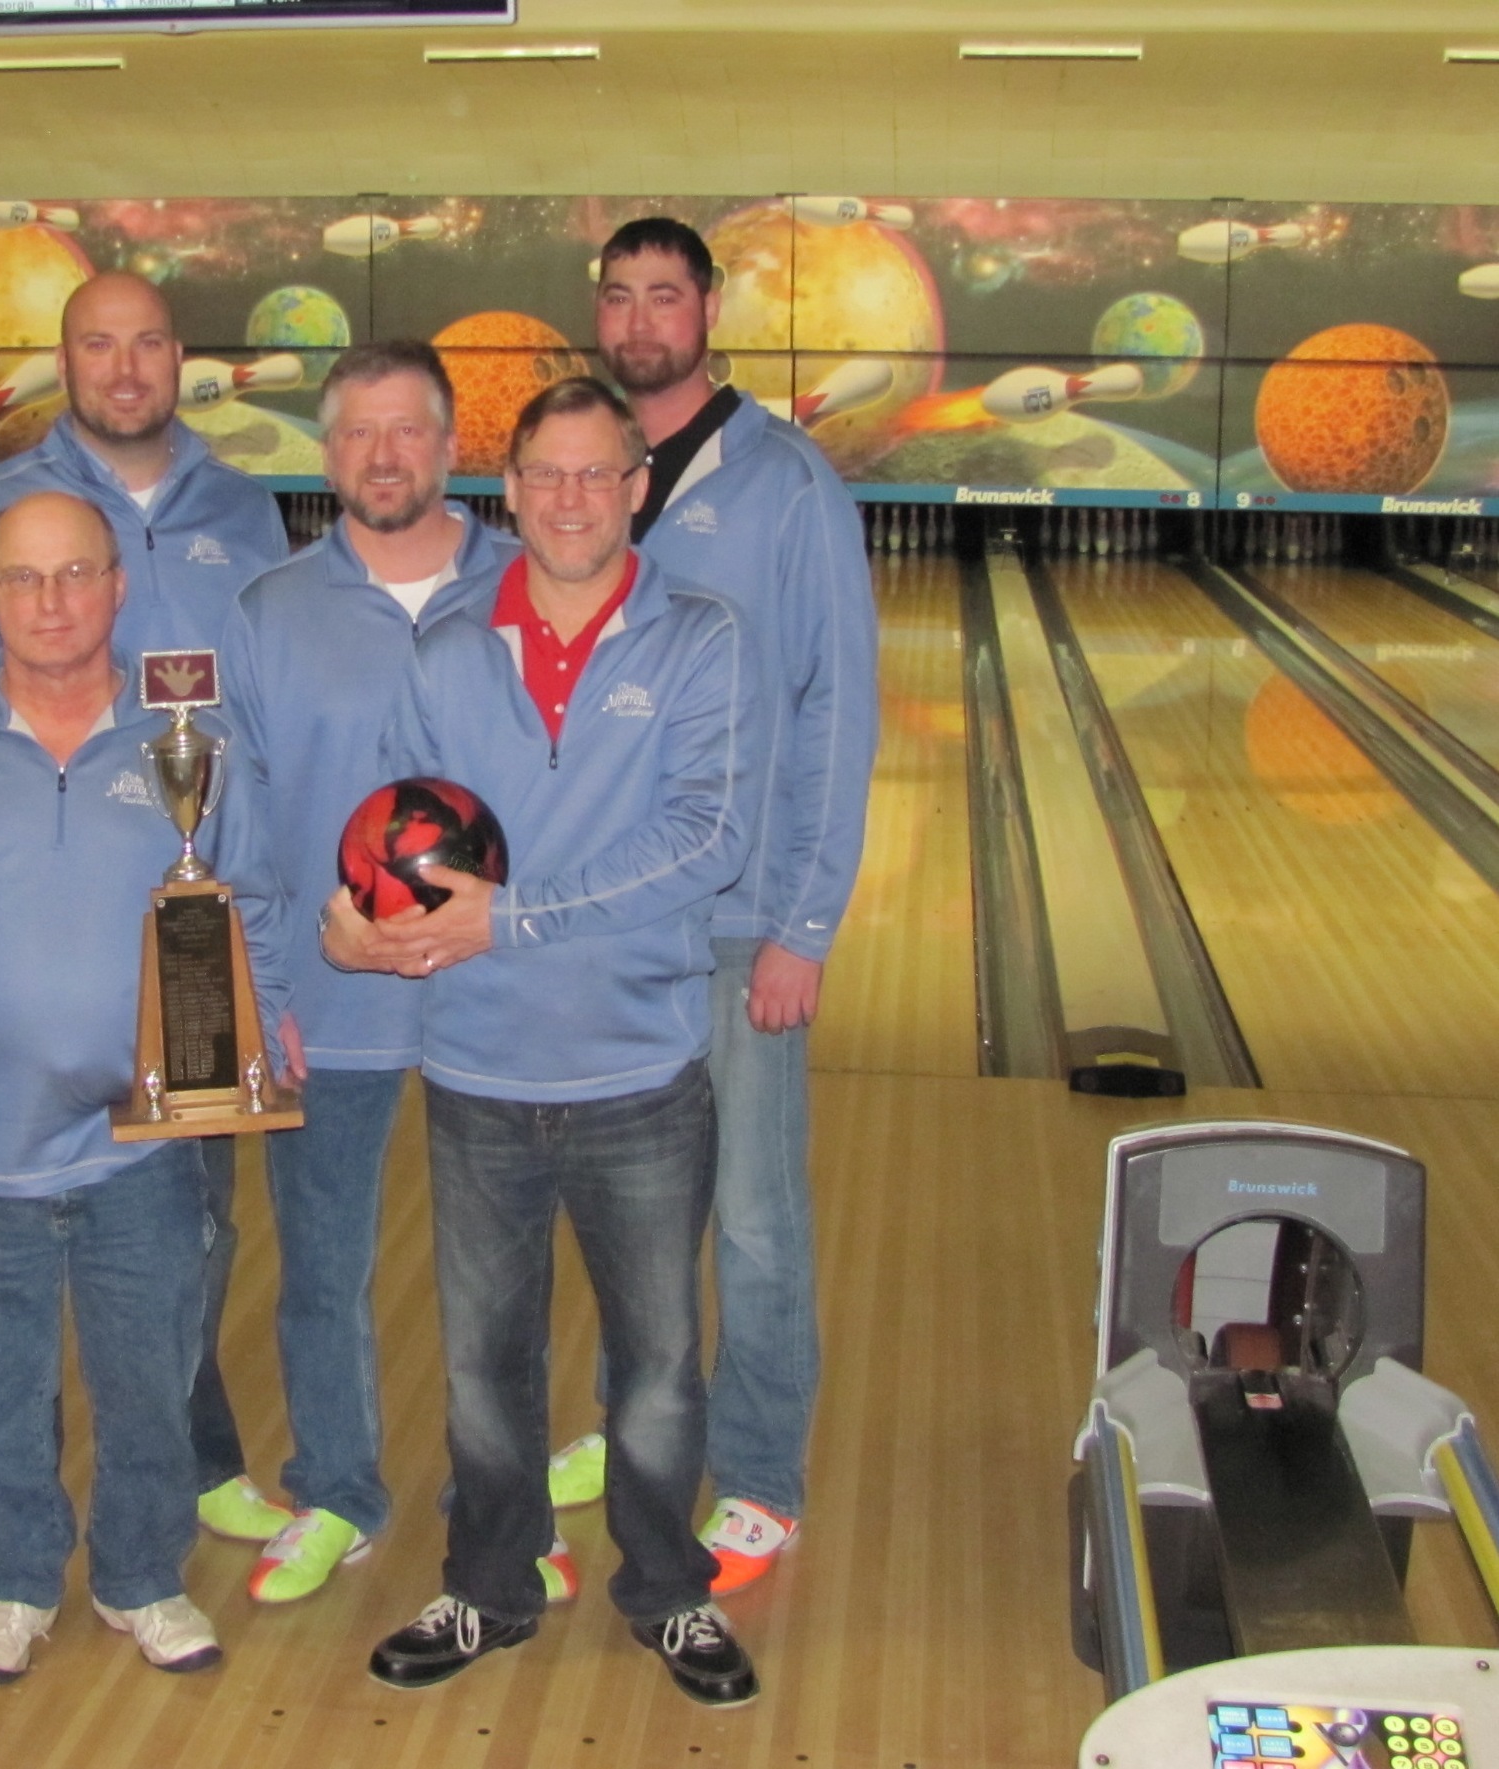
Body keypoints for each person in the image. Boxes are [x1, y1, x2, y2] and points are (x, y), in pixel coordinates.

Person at [338, 377, 765, 1706]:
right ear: (509, 491)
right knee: (482, 1369)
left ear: (636, 487)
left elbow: (706, 838)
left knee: (657, 1368)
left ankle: (668, 1590)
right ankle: (488, 1585)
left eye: (597, 474)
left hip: (639, 1074)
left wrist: (509, 918)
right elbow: (396, 831)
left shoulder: (701, 638)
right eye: (546, 475)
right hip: (475, 1074)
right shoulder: (447, 650)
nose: (571, 498)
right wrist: (359, 921)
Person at [0, 491, 294, 1685]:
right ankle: (15, 1579)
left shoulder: (186, 739)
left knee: (152, 1377)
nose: (50, 602)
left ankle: (142, 1574)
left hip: (145, 1141)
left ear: (117, 586)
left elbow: (253, 896)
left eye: (76, 573)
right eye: (23, 578)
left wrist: (265, 1020)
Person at [0, 272, 296, 1549]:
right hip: (28, 945)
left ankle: (187, 1459)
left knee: (189, 1227)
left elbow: (262, 729)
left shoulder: (244, 509)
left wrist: (267, 959)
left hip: (190, 943)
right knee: (4, 1246)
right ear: (62, 359)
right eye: (96, 344)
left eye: (146, 344)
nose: (124, 368)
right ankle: (6, 1503)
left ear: (179, 357)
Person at [543, 218, 878, 1601]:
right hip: (618, 918)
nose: (639, 321)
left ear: (709, 308)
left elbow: (837, 706)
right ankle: (641, 1427)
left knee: (749, 1213)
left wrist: (804, 924)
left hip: (740, 922)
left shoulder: (786, 485)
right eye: (618, 297)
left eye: (663, 296)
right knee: (633, 1208)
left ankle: (756, 1473)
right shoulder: (594, 478)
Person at [220, 340, 548, 1604]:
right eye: (356, 431)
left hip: (496, 998)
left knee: (500, 1277)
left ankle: (501, 1506)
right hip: (328, 1000)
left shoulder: (532, 585)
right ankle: (336, 1489)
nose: (382, 453)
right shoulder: (267, 610)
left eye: (406, 428)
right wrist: (272, 976)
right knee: (321, 1270)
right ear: (325, 452)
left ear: (454, 442)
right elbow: (236, 820)